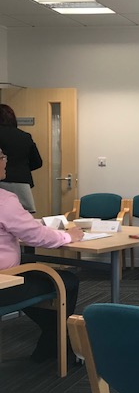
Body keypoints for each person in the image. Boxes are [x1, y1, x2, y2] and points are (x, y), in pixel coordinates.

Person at [0, 147, 84, 362]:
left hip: (9, 276)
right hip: (4, 283)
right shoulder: (4, 200)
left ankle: (54, 341)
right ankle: (56, 345)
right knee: (67, 281)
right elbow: (36, 237)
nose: (5, 161)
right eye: (2, 156)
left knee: (32, 272)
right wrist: (68, 236)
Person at [0, 104, 43, 213]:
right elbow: (37, 162)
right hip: (21, 184)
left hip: (1, 183)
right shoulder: (24, 136)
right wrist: (21, 168)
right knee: (23, 216)